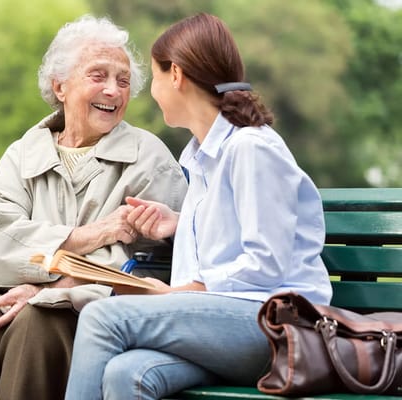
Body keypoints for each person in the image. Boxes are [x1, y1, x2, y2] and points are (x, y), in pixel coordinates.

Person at [0, 15, 188, 400]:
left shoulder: (149, 158)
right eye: (98, 76)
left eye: (123, 81)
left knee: (37, 322)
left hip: (94, 312)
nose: (113, 90)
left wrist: (51, 288)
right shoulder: (22, 154)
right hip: (13, 293)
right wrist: (88, 236)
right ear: (60, 86)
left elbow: (156, 264)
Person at [64, 12, 333, 400]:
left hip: (274, 327)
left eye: (154, 78)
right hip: (226, 327)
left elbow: (267, 261)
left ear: (176, 75)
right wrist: (177, 223)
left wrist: (184, 292)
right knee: (128, 374)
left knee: (103, 317)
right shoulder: (202, 157)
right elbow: (236, 233)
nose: (150, 91)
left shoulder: (251, 148)